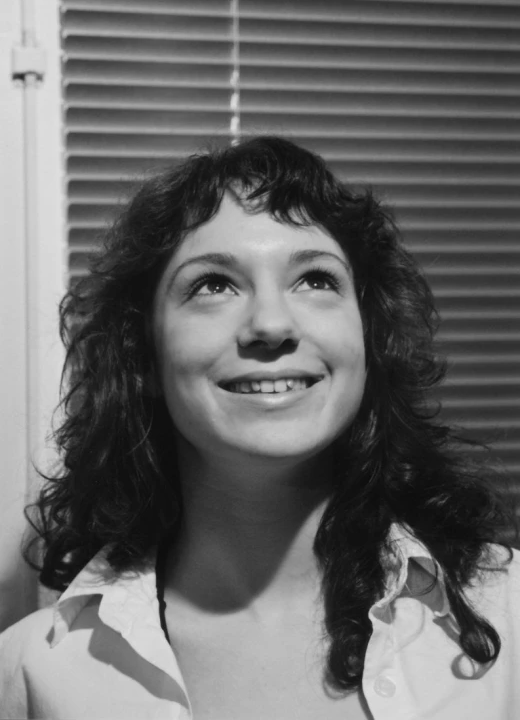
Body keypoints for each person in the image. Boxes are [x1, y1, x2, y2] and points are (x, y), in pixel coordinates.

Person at [0, 136, 518, 720]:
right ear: (143, 356)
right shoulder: (31, 675)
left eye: (315, 280)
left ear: (369, 342)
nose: (271, 324)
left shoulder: (512, 617)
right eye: (213, 285)